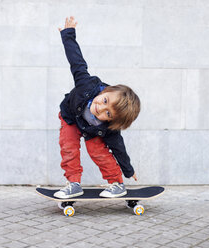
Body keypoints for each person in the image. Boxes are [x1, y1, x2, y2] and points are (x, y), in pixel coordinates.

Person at [54, 16, 140, 199]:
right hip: (71, 117)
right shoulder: (86, 85)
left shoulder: (109, 128)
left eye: (107, 113)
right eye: (105, 101)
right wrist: (68, 35)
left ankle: (116, 184)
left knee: (98, 152)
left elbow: (119, 149)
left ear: (112, 122)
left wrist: (128, 170)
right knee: (68, 147)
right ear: (105, 91)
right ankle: (73, 183)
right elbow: (76, 62)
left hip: (93, 130)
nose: (100, 108)